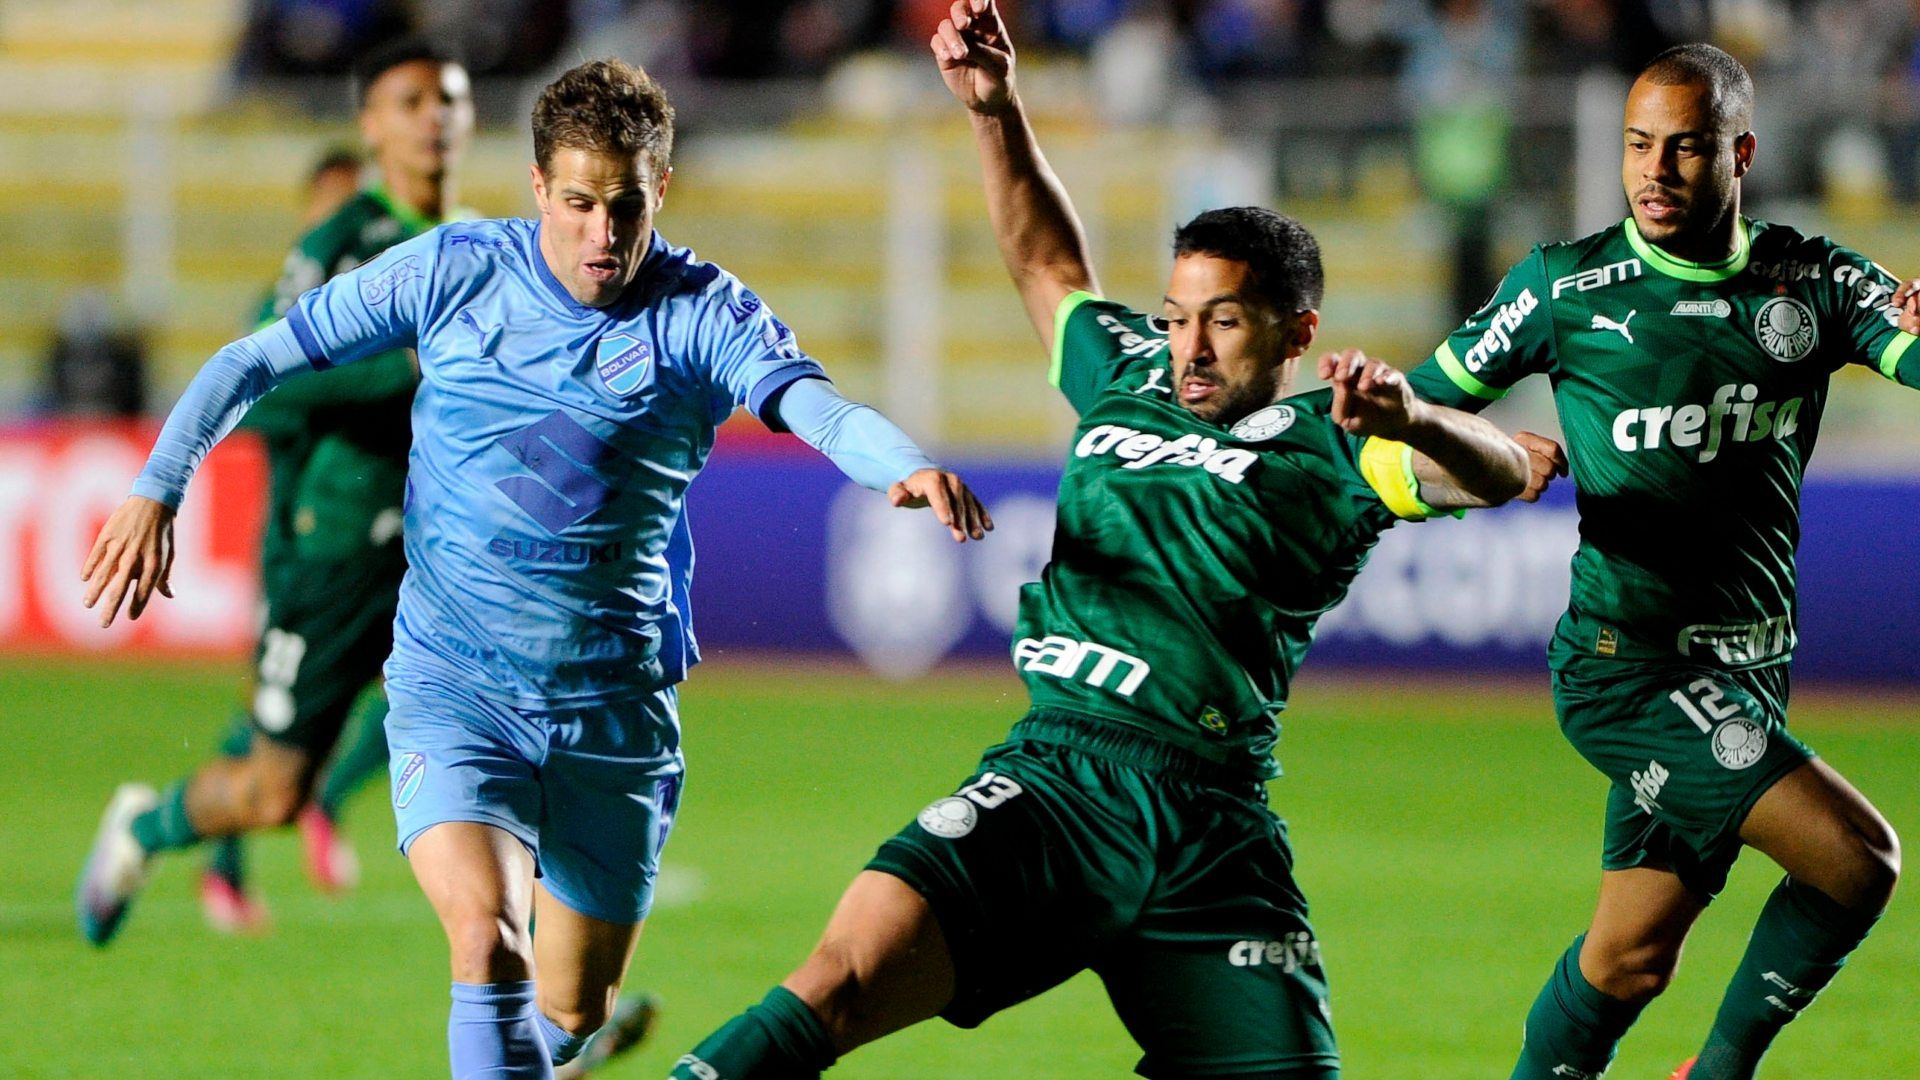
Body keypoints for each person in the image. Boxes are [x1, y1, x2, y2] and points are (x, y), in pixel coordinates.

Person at [669, 3, 1546, 1077]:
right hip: (1056, 785)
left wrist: (1413, 415)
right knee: (838, 980)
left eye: (1222, 320)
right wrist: (996, 114)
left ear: (1296, 332)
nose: (1188, 344)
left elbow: (1499, 474)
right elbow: (1046, 262)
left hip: (1212, 825)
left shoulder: (1341, 441)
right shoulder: (1127, 373)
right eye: (1177, 314)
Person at [77, 56, 991, 1079]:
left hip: (615, 713)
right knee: (486, 942)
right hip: (458, 687)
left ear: (663, 191)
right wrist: (160, 483)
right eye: (580, 203)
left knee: (569, 1013)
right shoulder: (454, 269)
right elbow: (256, 357)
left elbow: (811, 404)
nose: (604, 234)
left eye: (627, 206)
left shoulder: (700, 311)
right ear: (537, 189)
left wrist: (897, 463)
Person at [1403, 43, 1907, 1080]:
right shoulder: (1566, 288)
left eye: (1687, 148)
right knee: (1858, 862)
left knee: (1629, 961)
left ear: (1741, 154)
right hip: (1628, 669)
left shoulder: (1808, 282)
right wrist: (1482, 455)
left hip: (1749, 671)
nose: (1656, 171)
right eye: (1640, 145)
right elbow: (1406, 410)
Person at [75, 37, 475, 940]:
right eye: (409, 101)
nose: (433, 118)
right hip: (335, 550)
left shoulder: (477, 246)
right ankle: (147, 827)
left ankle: (548, 1003)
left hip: (444, 550)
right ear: (371, 126)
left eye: (448, 100)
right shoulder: (343, 242)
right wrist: (407, 366)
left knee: (522, 731)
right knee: (271, 790)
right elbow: (269, 378)